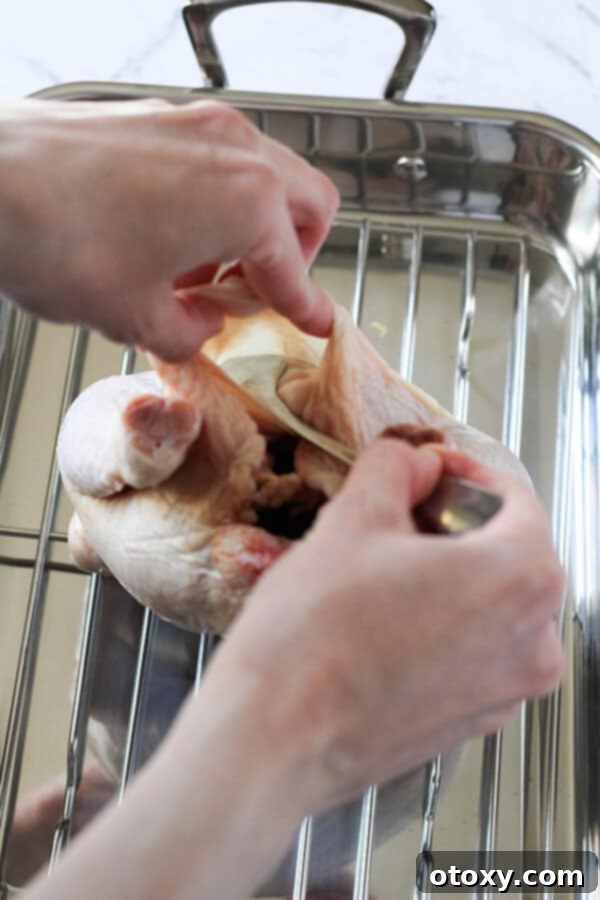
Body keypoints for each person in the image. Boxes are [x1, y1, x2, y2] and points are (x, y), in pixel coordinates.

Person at [0, 98, 564, 900]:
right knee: (487, 493)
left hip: (150, 667)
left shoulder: (123, 789)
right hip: (339, 724)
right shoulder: (351, 840)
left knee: (105, 437)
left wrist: (13, 164)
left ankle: (137, 443)